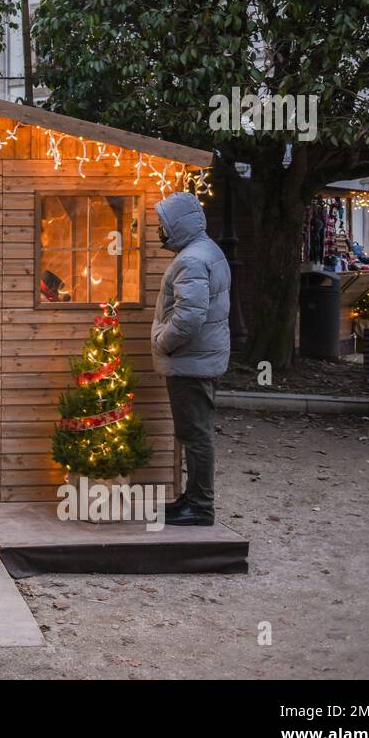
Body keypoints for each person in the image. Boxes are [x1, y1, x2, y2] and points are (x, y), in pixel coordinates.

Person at [151, 191, 231, 527]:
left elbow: (189, 317)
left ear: (177, 225)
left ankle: (200, 506)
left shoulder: (191, 260)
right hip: (199, 359)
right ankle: (192, 498)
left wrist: (163, 342)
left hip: (190, 361)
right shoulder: (206, 251)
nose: (160, 230)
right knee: (194, 432)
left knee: (195, 433)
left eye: (163, 225)